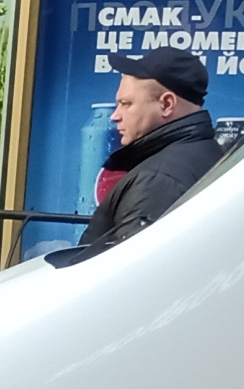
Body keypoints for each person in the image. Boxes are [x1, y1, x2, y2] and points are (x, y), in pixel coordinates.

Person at [79, 48, 218, 249]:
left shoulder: (157, 181)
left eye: (126, 104)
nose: (115, 116)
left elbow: (130, 272)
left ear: (167, 104)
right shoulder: (206, 151)